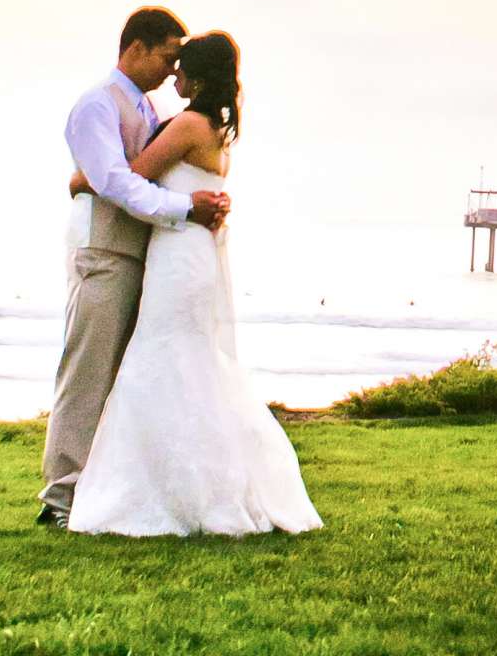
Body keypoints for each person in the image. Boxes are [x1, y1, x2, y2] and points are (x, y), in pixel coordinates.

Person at [67, 29, 323, 538]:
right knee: (190, 364)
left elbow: (128, 175)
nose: (173, 74)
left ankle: (160, 491)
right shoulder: (217, 130)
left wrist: (79, 180)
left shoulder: (186, 125)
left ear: (199, 76)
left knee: (162, 361)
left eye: (181, 67)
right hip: (192, 255)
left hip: (178, 256)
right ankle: (192, 483)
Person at [38, 6, 230, 527]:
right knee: (87, 374)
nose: (173, 71)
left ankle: (101, 490)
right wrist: (184, 208)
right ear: (137, 47)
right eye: (168, 57)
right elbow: (117, 182)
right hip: (104, 251)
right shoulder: (98, 105)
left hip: (143, 255)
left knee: (126, 377)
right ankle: (60, 498)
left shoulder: (146, 109)